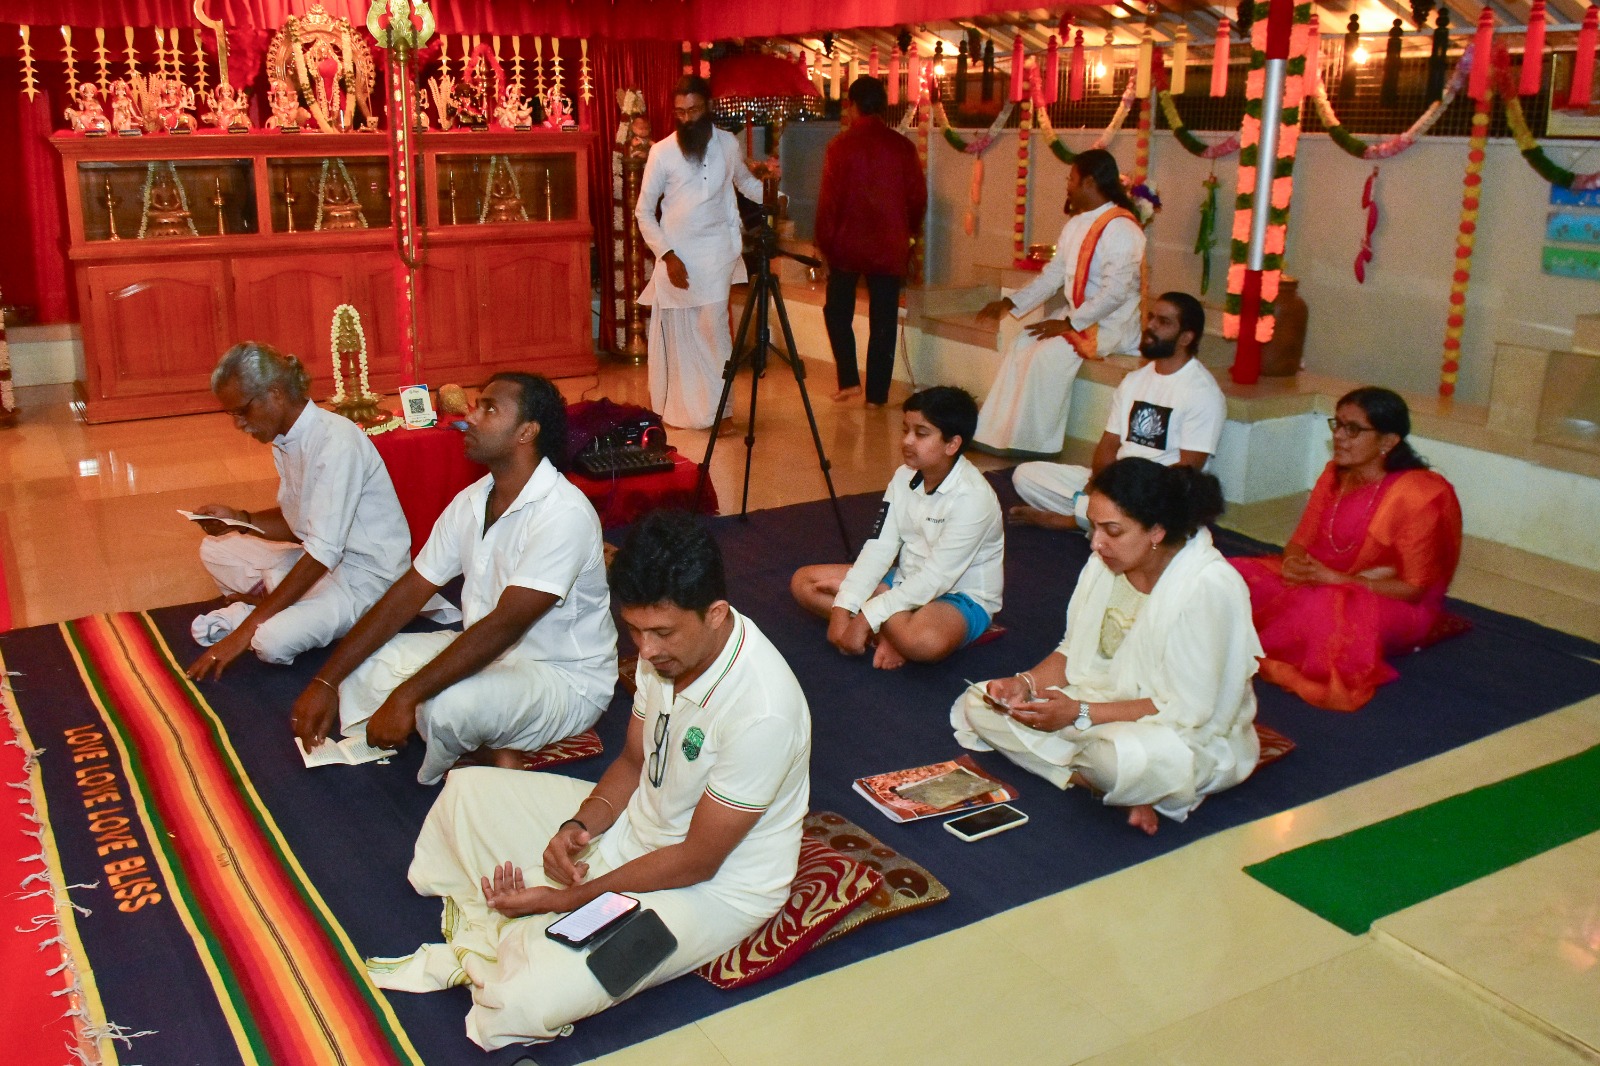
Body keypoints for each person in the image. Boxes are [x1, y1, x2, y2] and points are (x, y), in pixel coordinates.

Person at [368, 510, 811, 1049]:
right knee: (466, 794)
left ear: (716, 614)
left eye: (661, 632)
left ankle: (535, 927)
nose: (645, 650)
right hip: (640, 826)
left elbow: (699, 859)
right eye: (635, 630)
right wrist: (579, 827)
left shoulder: (764, 711)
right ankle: (530, 919)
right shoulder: (664, 655)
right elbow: (632, 762)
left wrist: (569, 899)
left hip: (711, 890)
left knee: (527, 997)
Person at [289, 372, 617, 785]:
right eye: (478, 405)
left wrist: (407, 695)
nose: (470, 417)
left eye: (489, 409)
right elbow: (410, 591)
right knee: (365, 667)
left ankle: (481, 745)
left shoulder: (563, 513)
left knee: (445, 707)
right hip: (484, 650)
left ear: (526, 432)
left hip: (562, 678)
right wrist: (326, 679)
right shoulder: (473, 499)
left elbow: (505, 624)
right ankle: (486, 744)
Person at [952, 458, 1260, 835]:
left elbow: (1188, 709)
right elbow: (1072, 651)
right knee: (982, 702)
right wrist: (1024, 684)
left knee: (1114, 760)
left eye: (1112, 530)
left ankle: (1107, 777)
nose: (1096, 543)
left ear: (1157, 530)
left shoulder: (1207, 587)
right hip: (1097, 704)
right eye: (1094, 526)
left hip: (1182, 730)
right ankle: (1099, 782)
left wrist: (1079, 712)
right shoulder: (1105, 563)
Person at [186, 341, 412, 679]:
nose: (239, 424)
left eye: (242, 411)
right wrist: (240, 520)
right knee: (215, 550)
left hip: (367, 582)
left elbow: (322, 553)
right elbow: (299, 523)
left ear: (275, 393)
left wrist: (243, 633)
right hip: (319, 561)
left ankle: (262, 610)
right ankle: (276, 604)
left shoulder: (336, 442)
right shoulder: (285, 439)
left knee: (269, 642)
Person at [1232, 387, 1463, 711]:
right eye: (1338, 424)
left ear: (1387, 441)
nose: (1339, 436)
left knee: (1325, 608)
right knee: (1232, 575)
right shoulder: (1334, 475)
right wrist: (1293, 564)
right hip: (1322, 579)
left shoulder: (1415, 496)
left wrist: (1339, 580)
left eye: (1353, 429)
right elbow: (1299, 542)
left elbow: (1413, 589)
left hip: (1391, 601)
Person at [791, 386, 1003, 669]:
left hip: (958, 595)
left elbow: (937, 578)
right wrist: (843, 609)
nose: (907, 441)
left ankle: (883, 617)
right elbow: (879, 547)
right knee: (804, 582)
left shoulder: (974, 498)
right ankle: (889, 627)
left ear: (952, 444)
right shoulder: (904, 476)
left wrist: (865, 614)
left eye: (921, 433)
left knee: (923, 643)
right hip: (905, 579)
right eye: (906, 430)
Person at [971, 149, 1147, 457]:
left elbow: (1116, 292)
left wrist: (1069, 324)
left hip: (1109, 324)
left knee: (1045, 356)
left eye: (1071, 179)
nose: (1068, 185)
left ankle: (1036, 445)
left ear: (1089, 183)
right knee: (1023, 342)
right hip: (1078, 316)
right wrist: (1010, 303)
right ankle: (996, 433)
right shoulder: (1075, 225)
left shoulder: (1122, 228)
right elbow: (1052, 276)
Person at [1010, 292, 1226, 531]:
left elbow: (1188, 470)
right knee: (1025, 476)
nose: (1151, 326)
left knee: (1153, 509)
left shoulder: (1202, 392)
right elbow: (1109, 444)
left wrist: (1128, 491)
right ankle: (1103, 521)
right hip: (1118, 482)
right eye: (1151, 317)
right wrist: (1099, 485)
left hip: (1159, 493)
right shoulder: (1134, 380)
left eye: (1163, 322)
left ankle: (1078, 520)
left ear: (1186, 337)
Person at [635, 75, 770, 430]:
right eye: (679, 112)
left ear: (708, 107)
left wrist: (775, 195)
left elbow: (744, 182)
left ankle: (721, 411)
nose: (686, 118)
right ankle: (683, 410)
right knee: (680, 334)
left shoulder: (727, 143)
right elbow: (644, 212)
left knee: (713, 329)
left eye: (693, 110)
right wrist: (667, 255)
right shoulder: (662, 152)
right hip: (676, 255)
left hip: (717, 252)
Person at [815, 75, 927, 408]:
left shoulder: (840, 146)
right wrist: (909, 235)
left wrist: (823, 245)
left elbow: (829, 203)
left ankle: (849, 380)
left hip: (846, 245)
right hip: (890, 245)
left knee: (837, 312)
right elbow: (917, 199)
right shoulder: (903, 147)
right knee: (884, 321)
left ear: (852, 106)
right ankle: (877, 397)